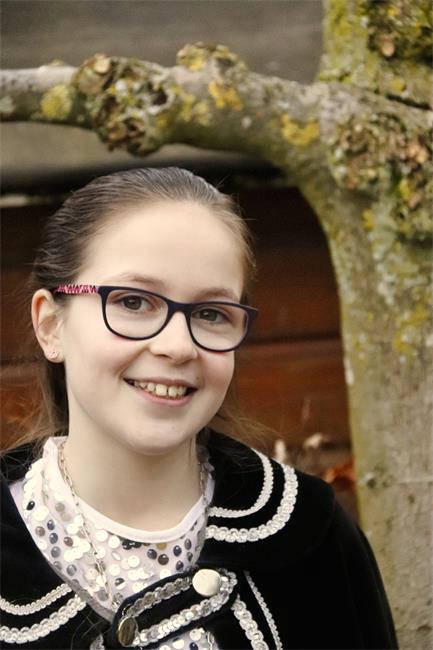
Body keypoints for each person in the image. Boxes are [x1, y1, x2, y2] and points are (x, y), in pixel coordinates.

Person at [0, 167, 397, 650]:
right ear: (50, 325)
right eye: (133, 302)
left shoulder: (311, 535)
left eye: (211, 313)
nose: (177, 346)